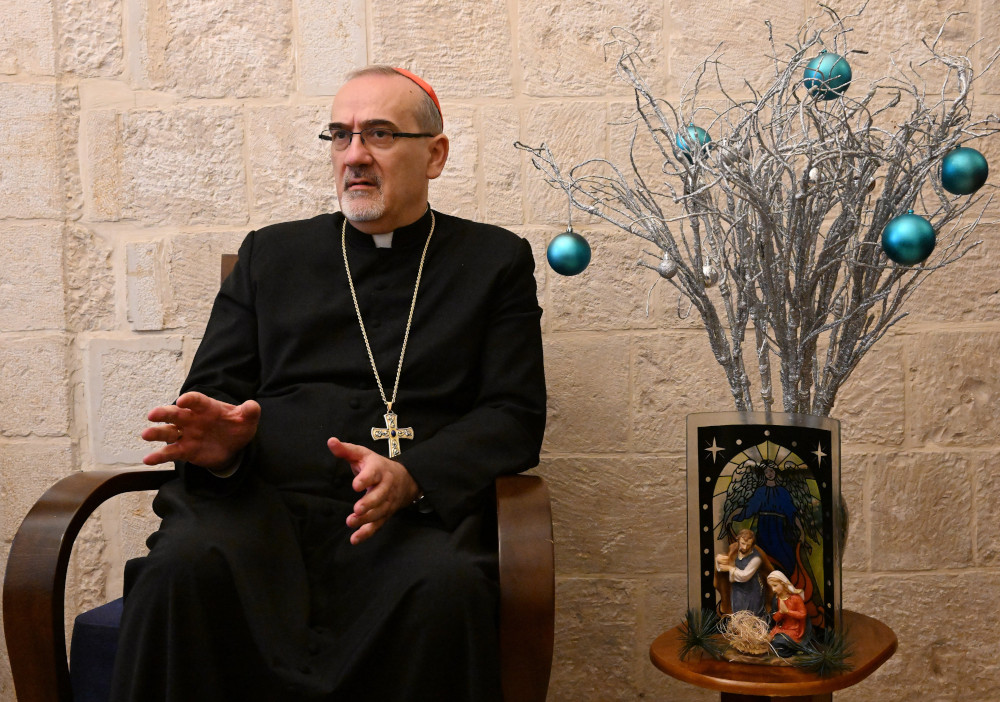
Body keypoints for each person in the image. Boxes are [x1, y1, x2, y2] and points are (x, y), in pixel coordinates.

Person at [109, 65, 546, 702]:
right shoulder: (271, 255)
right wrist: (223, 446)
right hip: (259, 513)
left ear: (436, 154)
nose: (355, 156)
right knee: (181, 566)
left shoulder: (495, 261)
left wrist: (413, 474)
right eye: (340, 136)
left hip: (406, 526)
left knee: (447, 587)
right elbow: (211, 398)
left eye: (379, 135)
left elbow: (513, 413)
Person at [714, 528, 773, 617]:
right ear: (738, 540)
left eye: (748, 545)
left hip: (751, 591)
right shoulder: (734, 550)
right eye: (742, 544)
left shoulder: (756, 558)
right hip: (737, 591)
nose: (745, 547)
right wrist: (719, 561)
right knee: (737, 613)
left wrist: (730, 568)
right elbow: (723, 568)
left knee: (752, 615)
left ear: (752, 544)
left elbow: (744, 576)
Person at [766, 570, 810, 657]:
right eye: (771, 586)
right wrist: (781, 612)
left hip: (794, 629)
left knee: (777, 642)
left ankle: (793, 650)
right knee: (767, 640)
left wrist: (787, 611)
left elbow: (803, 614)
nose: (773, 589)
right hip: (781, 627)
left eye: (775, 585)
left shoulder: (795, 598)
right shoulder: (776, 599)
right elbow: (775, 618)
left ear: (783, 583)